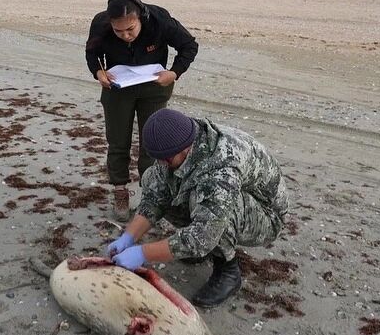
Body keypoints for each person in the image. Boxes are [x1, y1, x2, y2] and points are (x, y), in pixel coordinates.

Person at [105, 109, 289, 308]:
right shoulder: (178, 141)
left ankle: (227, 269)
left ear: (183, 150)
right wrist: (128, 237)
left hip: (266, 215)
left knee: (216, 206)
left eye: (165, 159)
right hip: (222, 194)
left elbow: (204, 235)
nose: (161, 163)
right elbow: (155, 197)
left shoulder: (221, 167)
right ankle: (191, 249)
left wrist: (142, 254)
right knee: (154, 179)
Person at [85, 0, 199, 221]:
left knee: (153, 145)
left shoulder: (159, 20)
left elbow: (189, 46)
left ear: (141, 18)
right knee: (117, 141)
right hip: (117, 87)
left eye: (130, 29)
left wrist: (175, 72)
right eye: (119, 31)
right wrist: (98, 72)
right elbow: (92, 53)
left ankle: (151, 196)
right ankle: (120, 192)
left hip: (155, 87)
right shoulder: (100, 23)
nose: (125, 36)